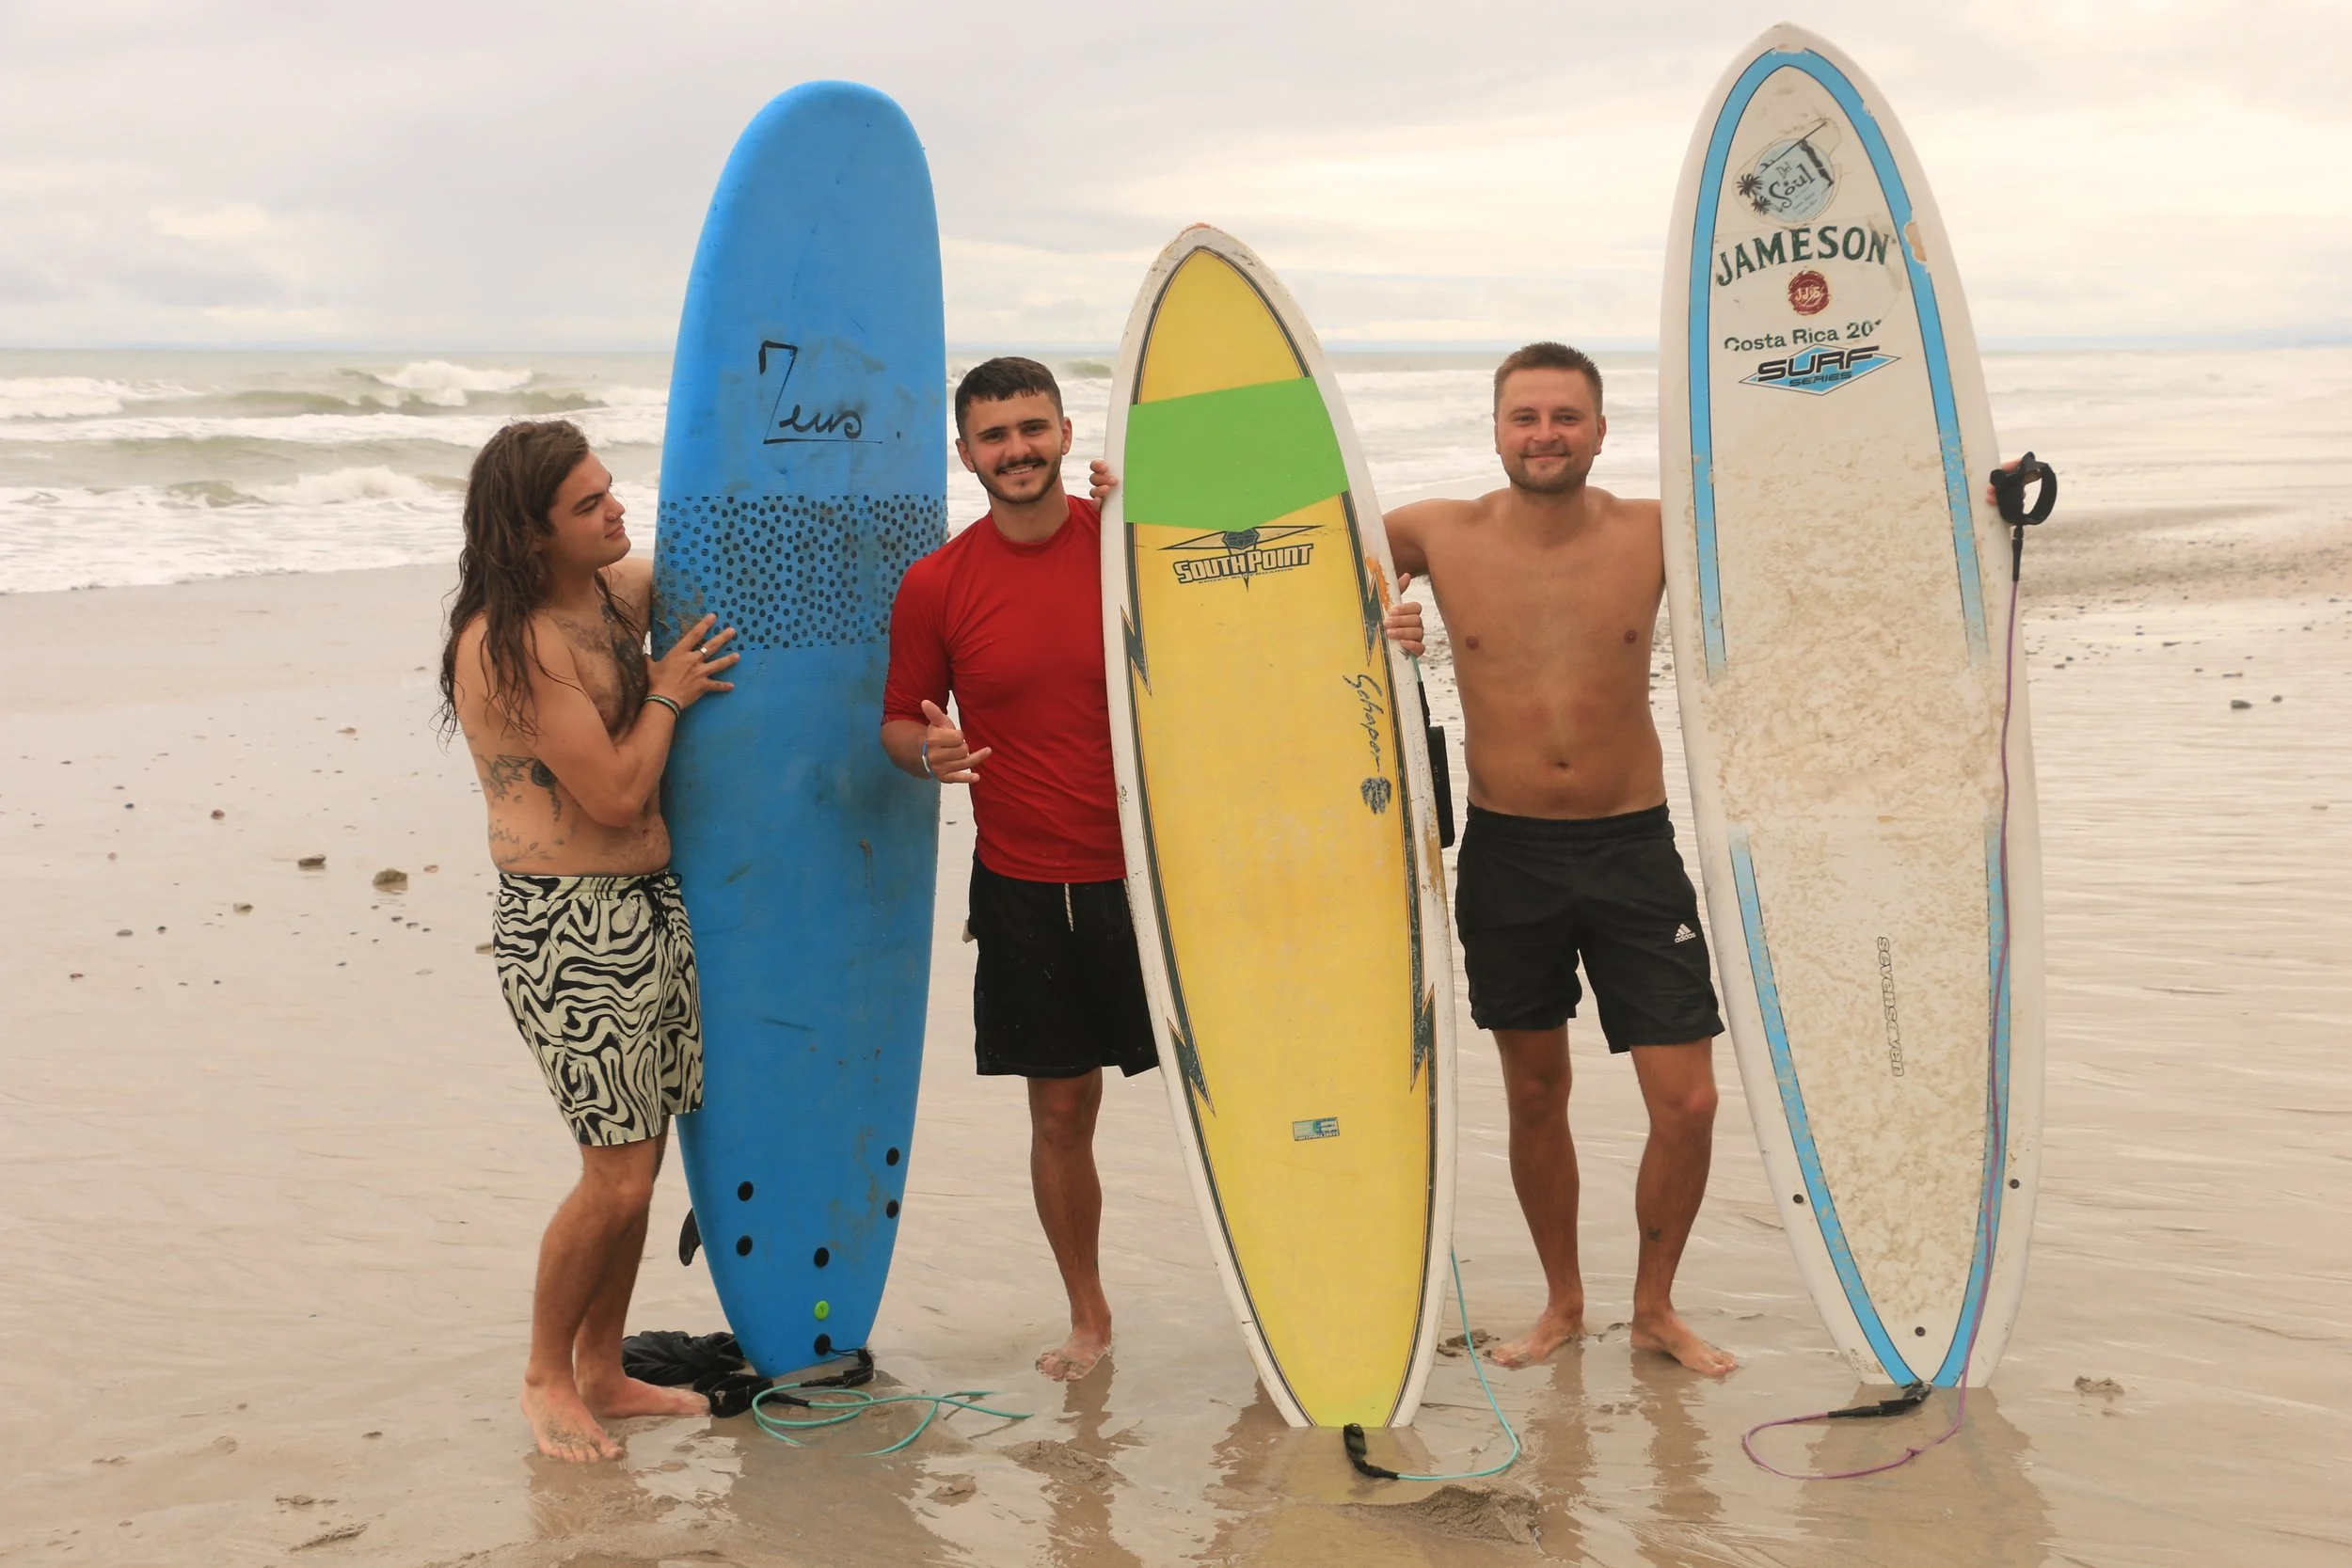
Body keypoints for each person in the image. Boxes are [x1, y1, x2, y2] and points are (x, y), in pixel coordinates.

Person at [1090, 341, 1733, 1374]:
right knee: (1534, 1093)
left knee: (1689, 1100)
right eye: (1525, 416)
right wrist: (1137, 497)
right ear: (1495, 429)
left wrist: (1986, 494)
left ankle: (1654, 1305)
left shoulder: (1659, 532)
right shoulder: (1437, 533)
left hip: (1632, 844)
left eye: (1565, 417)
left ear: (1601, 430)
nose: (1544, 435)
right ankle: (1563, 1302)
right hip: (1507, 850)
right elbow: (1265, 550)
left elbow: (1810, 536)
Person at [440, 419, 741, 1461]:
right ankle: (543, 1376)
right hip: (569, 923)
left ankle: (605, 1370)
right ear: (531, 534)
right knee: (613, 1175)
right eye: (588, 504)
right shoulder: (509, 642)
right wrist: (666, 690)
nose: (618, 510)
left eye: (614, 490)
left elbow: (735, 563)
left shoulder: (612, 595)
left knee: (640, 1167)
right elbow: (614, 793)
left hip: (648, 907)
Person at [880, 356, 1158, 1383]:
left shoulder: (1129, 547)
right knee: (1059, 1110)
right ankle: (1089, 1312)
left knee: (1237, 1086)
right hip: (1030, 882)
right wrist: (930, 752)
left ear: (1064, 429)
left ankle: (1280, 1279)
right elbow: (898, 722)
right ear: (965, 454)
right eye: (994, 436)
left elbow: (1256, 585)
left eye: (1032, 428)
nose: (1017, 450)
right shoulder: (939, 583)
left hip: (1164, 877)